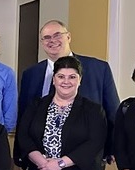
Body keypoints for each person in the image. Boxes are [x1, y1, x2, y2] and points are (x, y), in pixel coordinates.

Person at [16, 57, 106, 170]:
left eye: (72, 77)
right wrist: (43, 164)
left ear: (80, 80)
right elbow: (24, 137)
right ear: (53, 79)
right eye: (61, 76)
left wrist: (58, 164)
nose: (66, 81)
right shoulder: (36, 105)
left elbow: (94, 143)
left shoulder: (93, 109)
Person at [18, 20, 119, 158]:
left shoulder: (98, 69)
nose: (52, 40)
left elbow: (113, 112)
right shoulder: (30, 74)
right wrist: (21, 154)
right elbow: (24, 116)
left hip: (85, 161)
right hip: (41, 162)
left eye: (57, 35)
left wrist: (112, 148)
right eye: (46, 38)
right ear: (42, 43)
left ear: (69, 37)